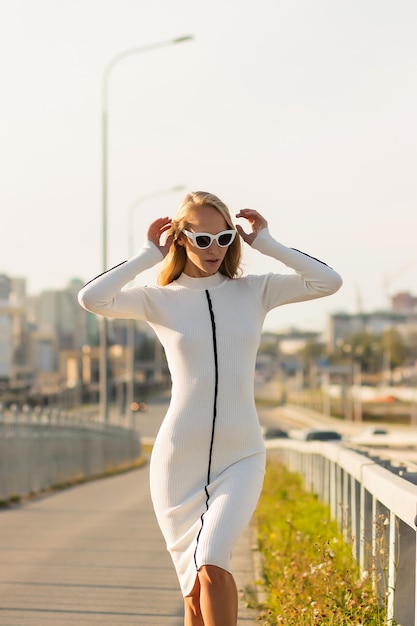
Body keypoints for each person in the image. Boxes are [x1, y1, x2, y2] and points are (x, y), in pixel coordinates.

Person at [78, 191, 342, 626]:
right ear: (179, 239)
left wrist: (269, 244)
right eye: (201, 240)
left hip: (241, 455)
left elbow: (328, 282)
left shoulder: (256, 291)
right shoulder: (156, 298)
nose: (214, 249)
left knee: (213, 563)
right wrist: (148, 255)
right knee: (193, 589)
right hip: (178, 460)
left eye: (222, 238)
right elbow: (93, 298)